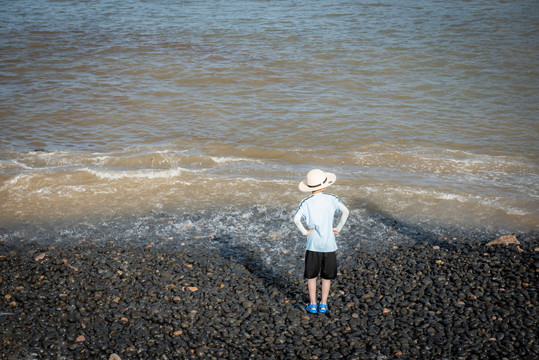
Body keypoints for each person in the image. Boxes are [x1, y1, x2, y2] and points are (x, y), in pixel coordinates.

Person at [294, 169, 349, 314]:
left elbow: (296, 219)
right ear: (324, 186)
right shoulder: (332, 198)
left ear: (309, 187)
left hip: (313, 244)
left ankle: (312, 304)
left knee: (311, 276)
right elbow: (346, 212)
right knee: (326, 277)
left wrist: (305, 232)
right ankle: (323, 303)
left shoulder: (305, 202)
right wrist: (338, 228)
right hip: (329, 244)